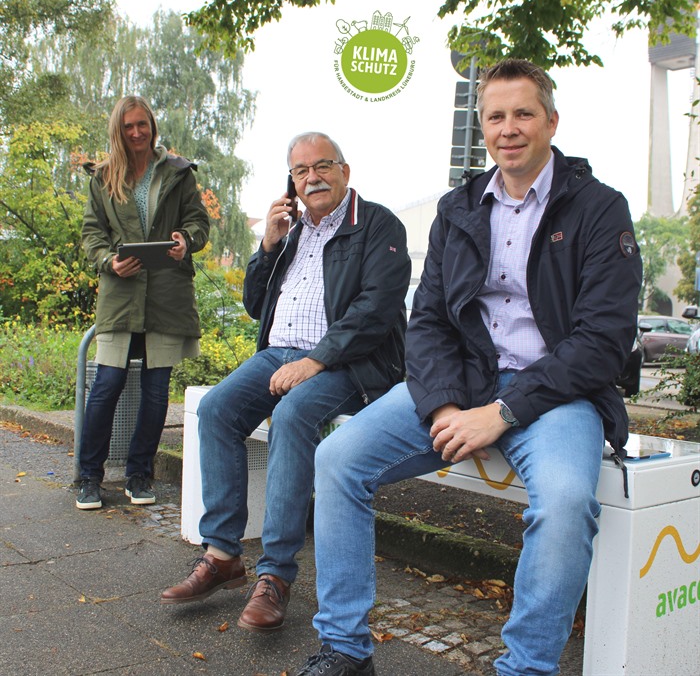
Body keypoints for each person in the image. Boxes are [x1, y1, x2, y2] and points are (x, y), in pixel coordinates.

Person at [294, 60, 643, 676]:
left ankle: (526, 668)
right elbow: (426, 321)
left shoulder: (598, 208)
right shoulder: (458, 208)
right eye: (495, 116)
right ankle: (345, 649)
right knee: (337, 459)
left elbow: (604, 342)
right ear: (483, 126)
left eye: (523, 114)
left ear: (551, 121)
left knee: (564, 503)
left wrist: (503, 413)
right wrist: (446, 407)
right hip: (462, 387)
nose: (509, 129)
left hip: (559, 395)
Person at [161, 132, 411, 635]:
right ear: (291, 181)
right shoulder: (293, 231)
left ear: (345, 171)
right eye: (301, 171)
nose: (312, 177)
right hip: (279, 352)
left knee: (294, 414)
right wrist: (268, 245)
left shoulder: (378, 224)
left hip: (350, 361)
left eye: (322, 166)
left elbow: (377, 309)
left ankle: (275, 574)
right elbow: (257, 305)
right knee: (216, 411)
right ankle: (223, 554)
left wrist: (316, 360)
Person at [77, 95, 210, 511]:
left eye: (143, 124)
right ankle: (88, 477)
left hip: (168, 294)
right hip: (120, 295)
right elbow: (91, 233)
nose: (137, 132)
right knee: (106, 386)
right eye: (129, 126)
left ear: (152, 125)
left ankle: (139, 474)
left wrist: (184, 241)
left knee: (155, 392)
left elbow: (199, 223)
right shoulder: (102, 177)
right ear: (118, 129)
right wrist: (107, 262)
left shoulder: (178, 172)